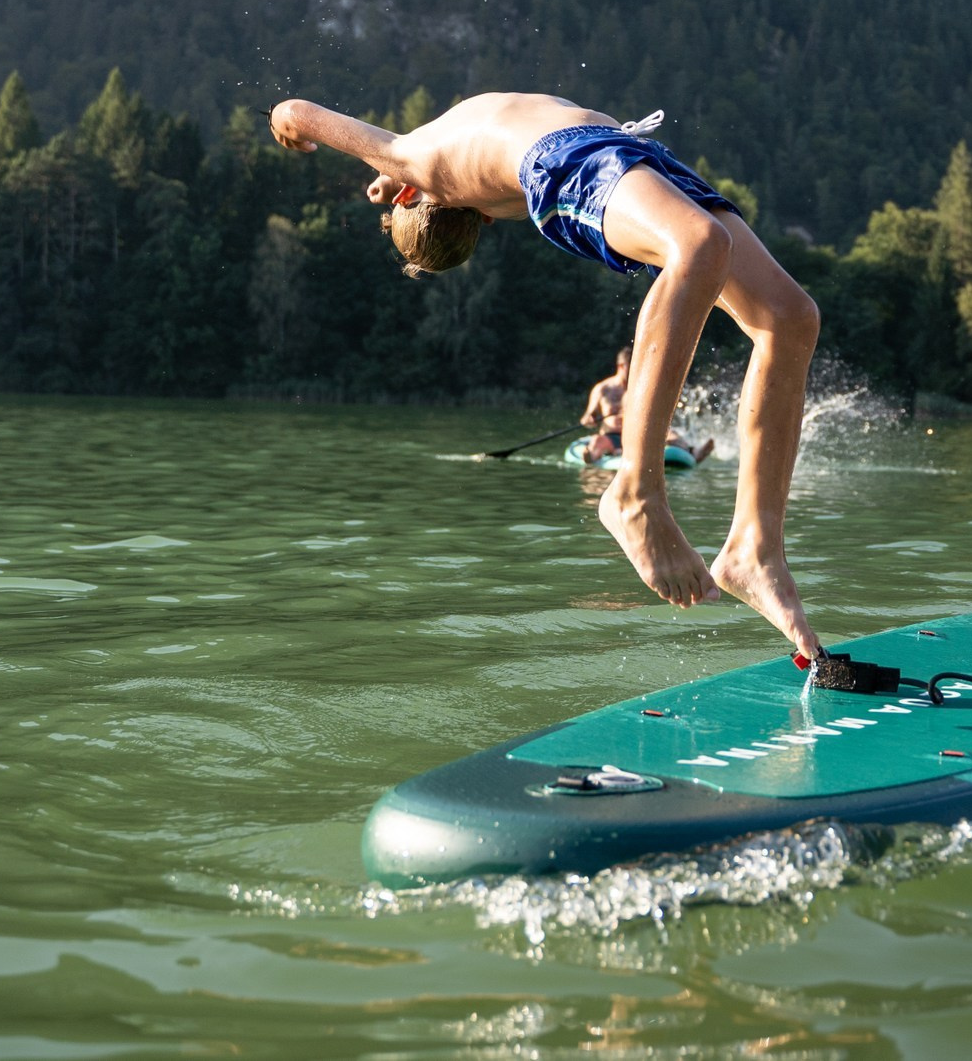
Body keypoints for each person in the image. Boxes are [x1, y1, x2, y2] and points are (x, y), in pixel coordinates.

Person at [267, 92, 817, 653]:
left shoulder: (414, 160)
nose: (491, 214)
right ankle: (637, 493)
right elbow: (295, 110)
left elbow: (309, 120)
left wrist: (362, 160)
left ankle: (755, 548)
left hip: (623, 150)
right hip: (567, 156)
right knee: (699, 244)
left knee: (790, 318)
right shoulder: (412, 157)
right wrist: (296, 129)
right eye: (486, 216)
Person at [579, 345, 715, 466]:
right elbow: (586, 418)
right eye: (631, 365)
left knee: (671, 434)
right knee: (598, 440)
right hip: (613, 436)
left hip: (641, 433)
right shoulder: (603, 389)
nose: (635, 370)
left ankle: (693, 452)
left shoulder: (642, 388)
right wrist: (589, 420)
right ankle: (593, 456)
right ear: (621, 366)